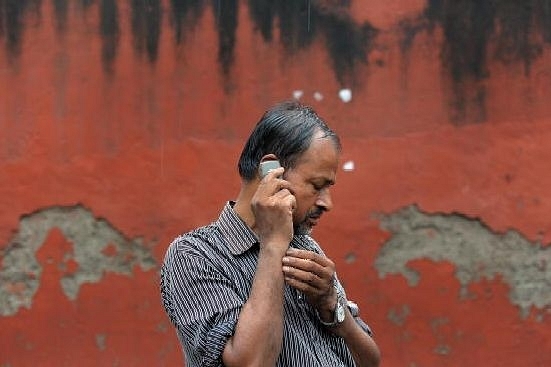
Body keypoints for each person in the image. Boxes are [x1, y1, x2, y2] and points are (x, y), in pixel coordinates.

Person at [160, 100, 380, 367]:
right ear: (270, 170)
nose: (326, 203)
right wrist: (273, 245)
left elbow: (371, 361)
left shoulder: (305, 247)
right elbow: (252, 362)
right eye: (316, 185)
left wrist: (333, 307)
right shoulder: (195, 255)